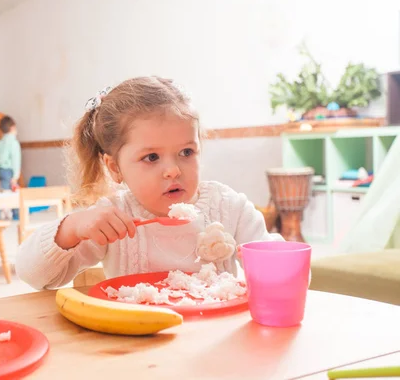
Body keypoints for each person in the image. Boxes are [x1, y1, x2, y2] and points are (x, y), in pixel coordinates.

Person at [16, 76, 282, 290]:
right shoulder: (112, 218)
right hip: (137, 348)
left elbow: (288, 277)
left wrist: (270, 263)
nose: (173, 170)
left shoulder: (230, 209)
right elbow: (32, 275)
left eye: (187, 152)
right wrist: (73, 227)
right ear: (115, 168)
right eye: (151, 157)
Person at [0, 115, 21, 219]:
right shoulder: (13, 142)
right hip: (9, 170)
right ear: (13, 128)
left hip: (1, 170)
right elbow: (16, 160)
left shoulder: (1, 142)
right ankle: (15, 214)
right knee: (14, 192)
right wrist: (15, 176)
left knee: (3, 191)